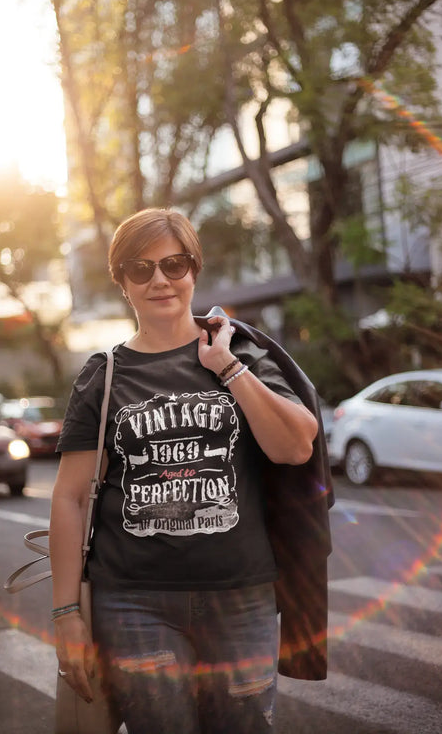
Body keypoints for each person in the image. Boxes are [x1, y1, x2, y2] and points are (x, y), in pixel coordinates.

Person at [50, 207, 323, 734]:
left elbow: (295, 446)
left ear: (194, 270)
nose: (159, 280)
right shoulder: (102, 376)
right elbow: (69, 498)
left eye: (174, 264)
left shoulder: (239, 350)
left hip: (240, 597)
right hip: (133, 603)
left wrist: (226, 367)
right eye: (140, 268)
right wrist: (66, 615)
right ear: (122, 282)